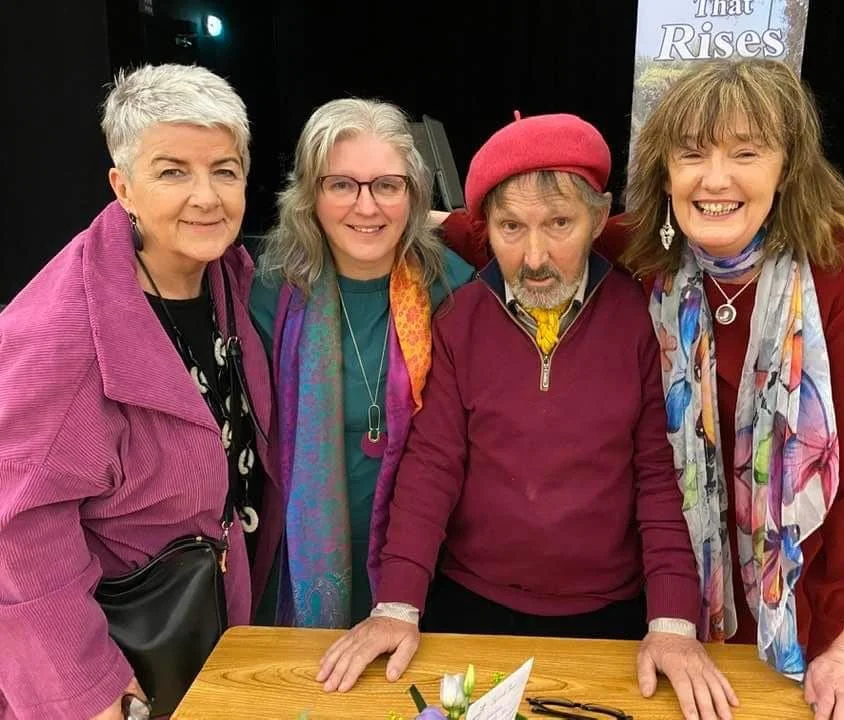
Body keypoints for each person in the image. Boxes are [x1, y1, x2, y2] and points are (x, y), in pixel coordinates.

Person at [442, 59, 844, 720]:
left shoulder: (840, 275)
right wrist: (395, 218)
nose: (715, 179)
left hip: (798, 601)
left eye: (745, 152)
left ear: (787, 167)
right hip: (672, 589)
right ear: (666, 171)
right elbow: (514, 228)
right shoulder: (649, 249)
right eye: (692, 154)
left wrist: (840, 644)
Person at [318, 112, 740, 720]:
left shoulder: (638, 320)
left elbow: (659, 477)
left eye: (560, 224)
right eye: (511, 227)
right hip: (467, 605)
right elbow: (432, 468)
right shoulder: (462, 318)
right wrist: (397, 605)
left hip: (610, 613)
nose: (535, 256)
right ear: (483, 229)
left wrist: (673, 621)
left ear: (599, 218)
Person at [0, 64, 281, 719]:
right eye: (173, 171)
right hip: (124, 667)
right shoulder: (59, 334)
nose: (207, 196)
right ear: (122, 186)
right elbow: (15, 533)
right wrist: (93, 691)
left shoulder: (225, 273)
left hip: (206, 633)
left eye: (225, 170)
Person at [249, 98, 475, 630]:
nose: (366, 207)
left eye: (387, 186)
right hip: (300, 560)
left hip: (428, 568)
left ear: (414, 195)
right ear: (310, 193)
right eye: (342, 184)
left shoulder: (454, 291)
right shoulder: (268, 295)